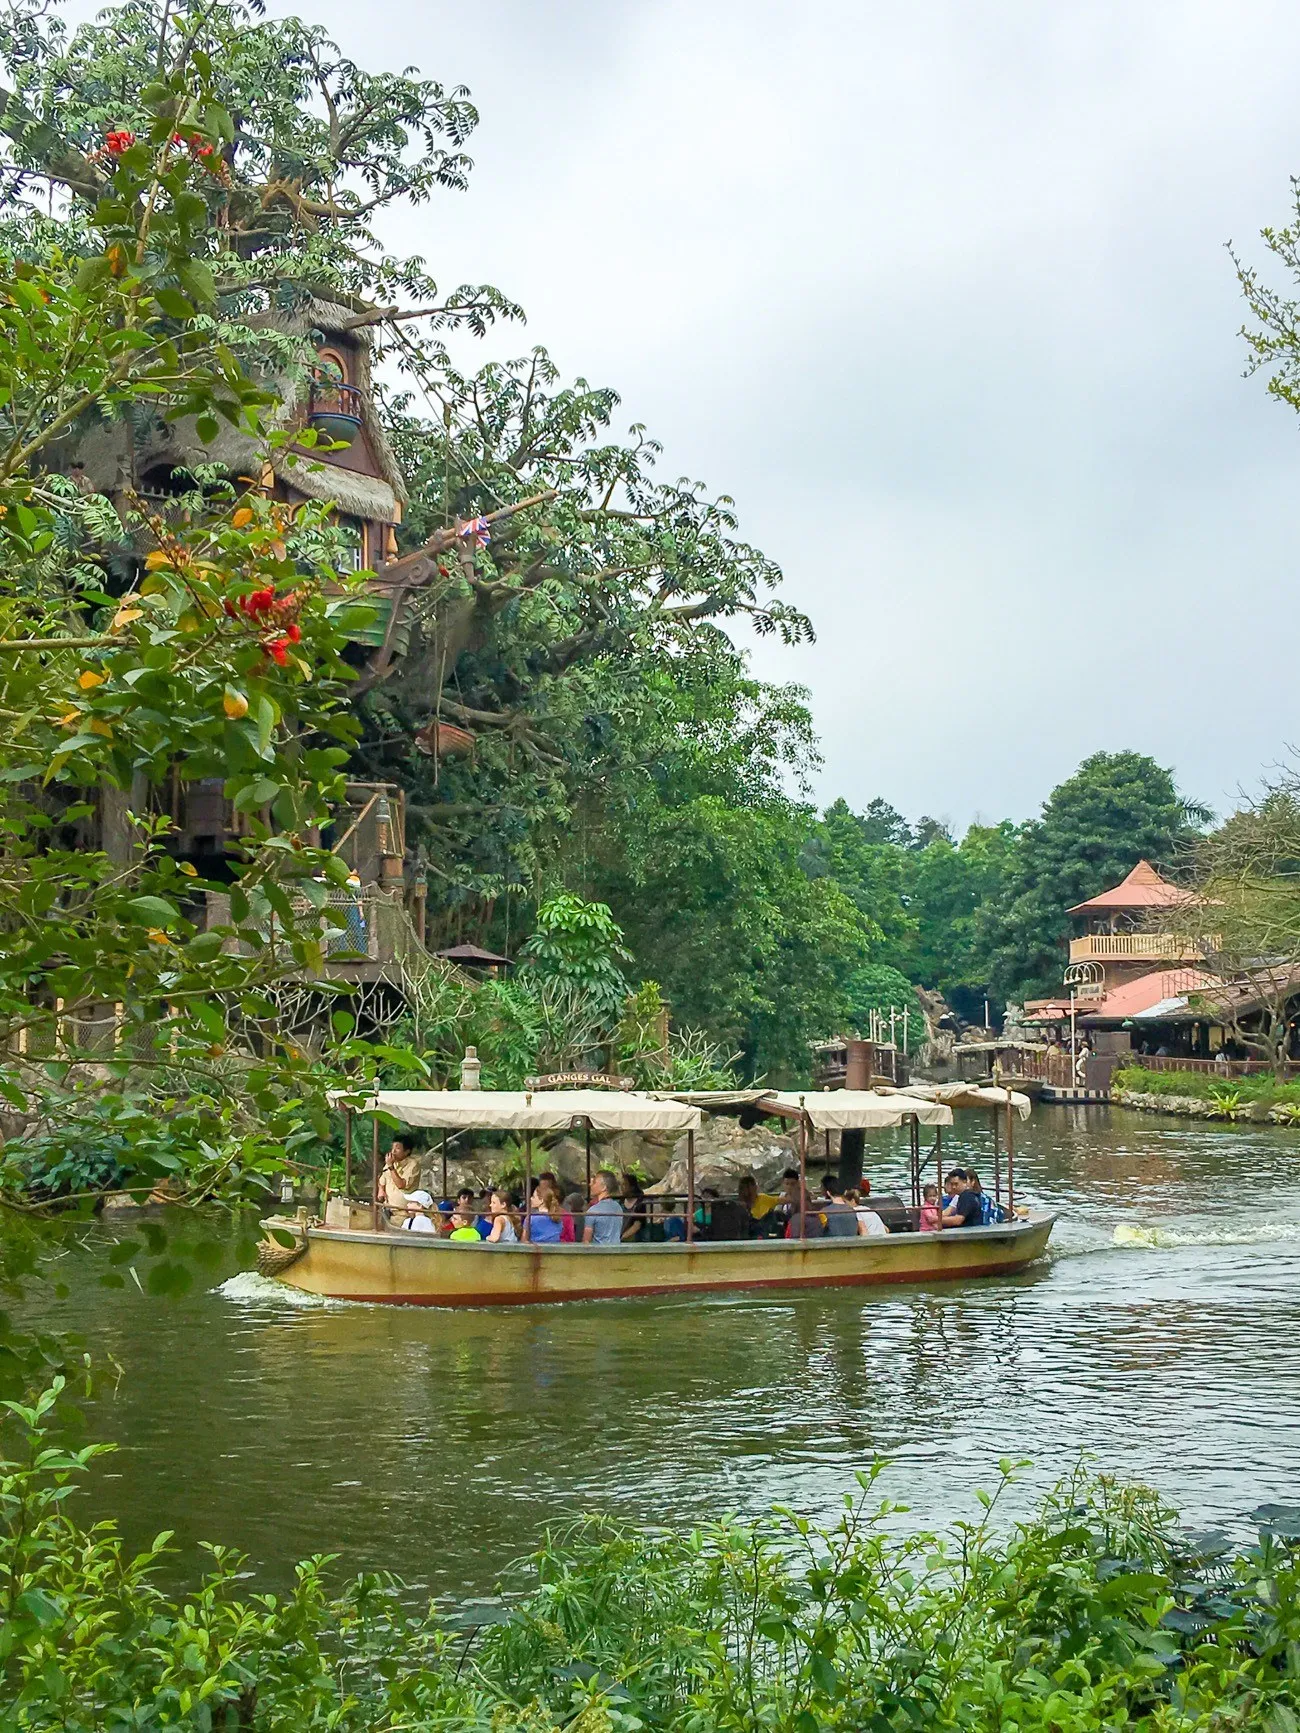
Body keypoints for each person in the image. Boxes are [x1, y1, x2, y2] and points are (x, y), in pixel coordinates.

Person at [376, 1136, 420, 1225]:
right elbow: (382, 1179)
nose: (393, 1151)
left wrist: (391, 1167)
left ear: (407, 1151)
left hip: (403, 1214)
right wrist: (381, 1190)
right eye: (392, 1148)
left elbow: (401, 1185)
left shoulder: (413, 1165)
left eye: (398, 1148)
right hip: (387, 1211)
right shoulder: (391, 1163)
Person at [583, 1169, 625, 1245]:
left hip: (599, 1254)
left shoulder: (593, 1211)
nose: (590, 1184)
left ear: (604, 1188)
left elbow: (586, 1241)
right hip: (617, 1252)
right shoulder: (618, 1207)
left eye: (594, 1182)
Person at [620, 1173, 649, 1243]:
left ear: (632, 1187)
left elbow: (637, 1225)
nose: (621, 1187)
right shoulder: (620, 1201)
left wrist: (621, 1238)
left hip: (635, 1240)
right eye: (621, 1184)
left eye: (624, 1184)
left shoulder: (640, 1203)